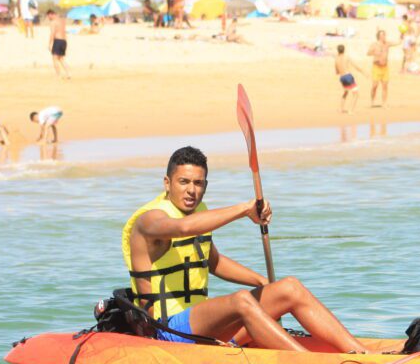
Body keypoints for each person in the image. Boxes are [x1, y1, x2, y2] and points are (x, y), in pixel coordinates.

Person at [122, 146, 368, 352]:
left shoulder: (200, 211)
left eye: (198, 183)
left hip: (203, 329)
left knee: (289, 288)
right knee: (240, 300)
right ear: (167, 183)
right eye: (183, 182)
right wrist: (243, 209)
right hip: (168, 332)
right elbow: (184, 228)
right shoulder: (149, 220)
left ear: (205, 185)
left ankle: (360, 353)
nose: (191, 190)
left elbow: (212, 260)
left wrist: (260, 281)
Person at [367, 30, 399, 107]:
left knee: (385, 86)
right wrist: (374, 53)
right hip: (376, 67)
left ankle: (384, 103)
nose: (384, 36)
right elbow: (368, 53)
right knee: (375, 85)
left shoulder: (387, 44)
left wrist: (402, 35)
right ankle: (372, 101)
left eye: (384, 35)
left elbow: (398, 43)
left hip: (385, 67)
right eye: (383, 35)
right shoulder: (374, 44)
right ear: (379, 36)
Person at [334, 44, 364, 114]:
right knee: (356, 94)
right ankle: (351, 110)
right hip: (348, 76)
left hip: (342, 77)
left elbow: (337, 72)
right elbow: (355, 66)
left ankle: (341, 109)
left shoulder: (336, 59)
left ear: (337, 50)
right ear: (344, 50)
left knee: (346, 92)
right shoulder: (346, 57)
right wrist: (363, 71)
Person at [46, 9, 71, 79]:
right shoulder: (62, 21)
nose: (48, 18)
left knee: (54, 58)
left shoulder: (53, 22)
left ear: (51, 14)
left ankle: (58, 75)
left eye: (48, 16)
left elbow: (52, 33)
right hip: (64, 41)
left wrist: (50, 43)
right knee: (61, 58)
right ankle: (68, 73)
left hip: (58, 40)